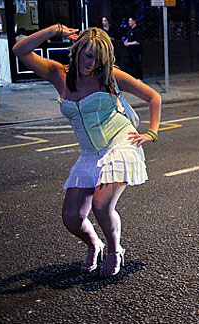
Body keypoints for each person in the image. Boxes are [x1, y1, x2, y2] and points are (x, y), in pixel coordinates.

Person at [13, 25, 161, 277]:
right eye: (84, 53)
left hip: (120, 143)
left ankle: (115, 250)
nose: (87, 61)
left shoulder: (110, 76)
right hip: (89, 153)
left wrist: (151, 132)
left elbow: (153, 97)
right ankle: (95, 243)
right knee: (71, 217)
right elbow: (20, 49)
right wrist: (56, 30)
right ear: (76, 50)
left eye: (94, 57)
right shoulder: (58, 73)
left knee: (101, 205)